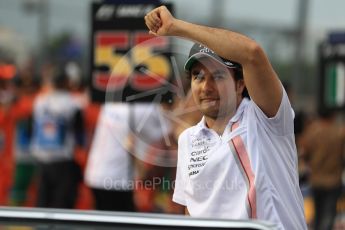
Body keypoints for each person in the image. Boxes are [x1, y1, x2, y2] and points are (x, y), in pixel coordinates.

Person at [144, 6, 307, 229]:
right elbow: (191, 210)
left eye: (218, 76)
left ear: (240, 84)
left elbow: (252, 53)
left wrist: (176, 27)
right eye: (198, 76)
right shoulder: (188, 139)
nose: (206, 87)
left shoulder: (266, 118)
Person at [31, 69, 84, 208]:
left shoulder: (40, 100)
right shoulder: (74, 102)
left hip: (42, 159)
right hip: (64, 159)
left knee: (43, 201)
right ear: (67, 82)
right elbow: (79, 130)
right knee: (62, 203)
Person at [299, 110, 345, 230]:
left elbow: (304, 153)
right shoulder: (339, 132)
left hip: (316, 180)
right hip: (334, 180)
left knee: (318, 214)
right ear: (333, 116)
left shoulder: (311, 132)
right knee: (329, 215)